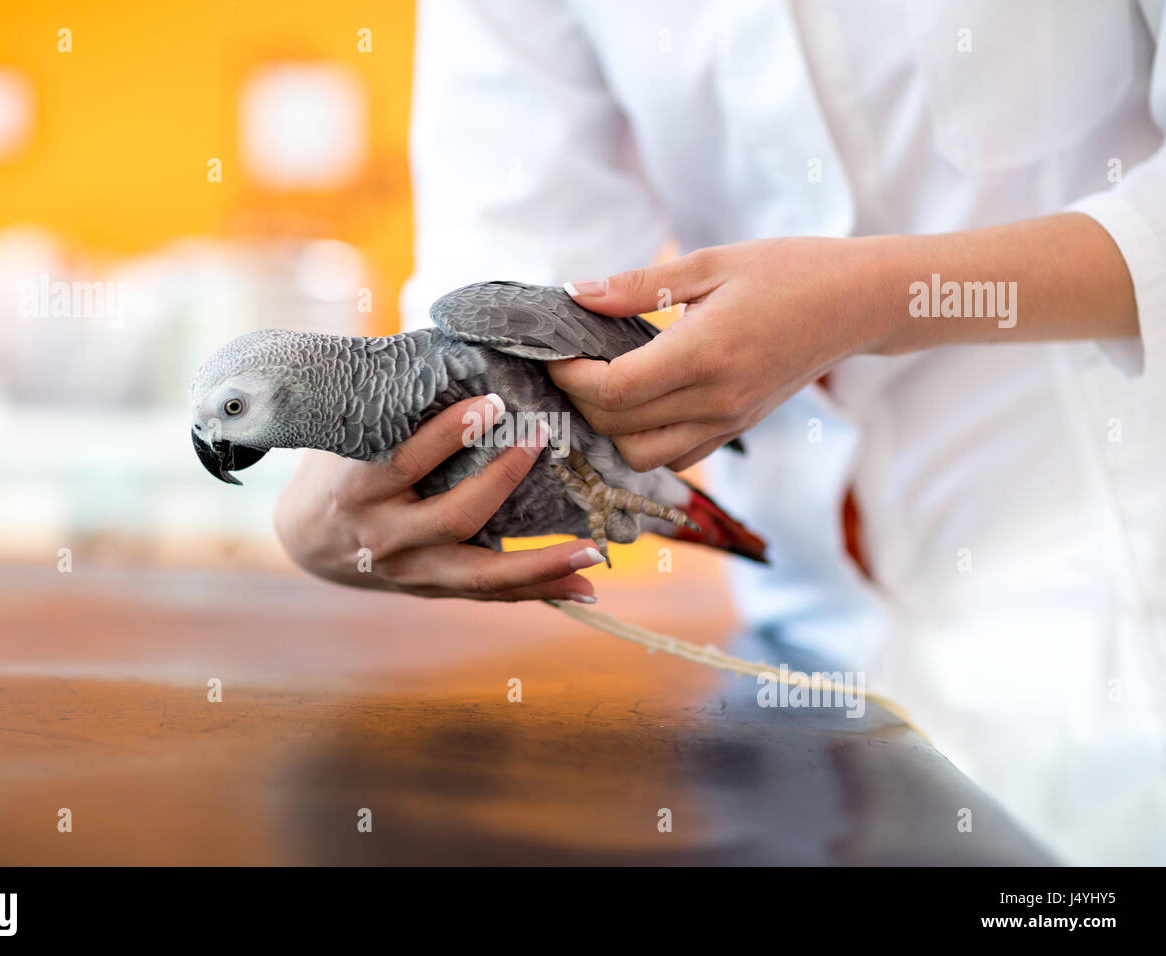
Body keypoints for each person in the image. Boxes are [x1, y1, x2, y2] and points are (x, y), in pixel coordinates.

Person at [275, 0, 1166, 864]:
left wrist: (879, 296)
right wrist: (364, 491)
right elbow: (509, 277)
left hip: (1125, 603)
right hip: (807, 659)